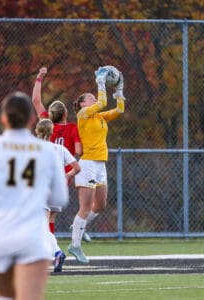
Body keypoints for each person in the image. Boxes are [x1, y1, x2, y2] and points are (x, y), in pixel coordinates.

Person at [0, 91, 68, 300]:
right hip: (30, 234)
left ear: (3, 118)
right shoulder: (48, 151)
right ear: (32, 119)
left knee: (3, 295)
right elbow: (59, 198)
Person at [68, 67, 125, 264]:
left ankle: (78, 226)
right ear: (82, 104)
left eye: (94, 97)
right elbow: (102, 102)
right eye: (89, 98)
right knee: (84, 207)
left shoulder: (99, 117)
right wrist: (100, 83)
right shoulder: (83, 114)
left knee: (100, 205)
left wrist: (119, 91)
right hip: (88, 163)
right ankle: (75, 245)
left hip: (100, 164)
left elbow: (119, 110)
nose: (93, 100)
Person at [32, 68, 91, 243]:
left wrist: (39, 78)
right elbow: (79, 151)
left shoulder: (47, 123)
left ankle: (44, 245)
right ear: (65, 113)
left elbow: (36, 100)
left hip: (43, 175)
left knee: (40, 212)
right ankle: (50, 246)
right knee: (50, 216)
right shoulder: (73, 128)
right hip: (62, 176)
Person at [35, 118, 80, 272]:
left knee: (41, 227)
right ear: (52, 132)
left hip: (42, 190)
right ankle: (46, 254)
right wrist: (67, 176)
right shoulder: (60, 149)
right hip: (57, 191)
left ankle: (57, 253)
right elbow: (77, 167)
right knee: (42, 226)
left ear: (37, 131)